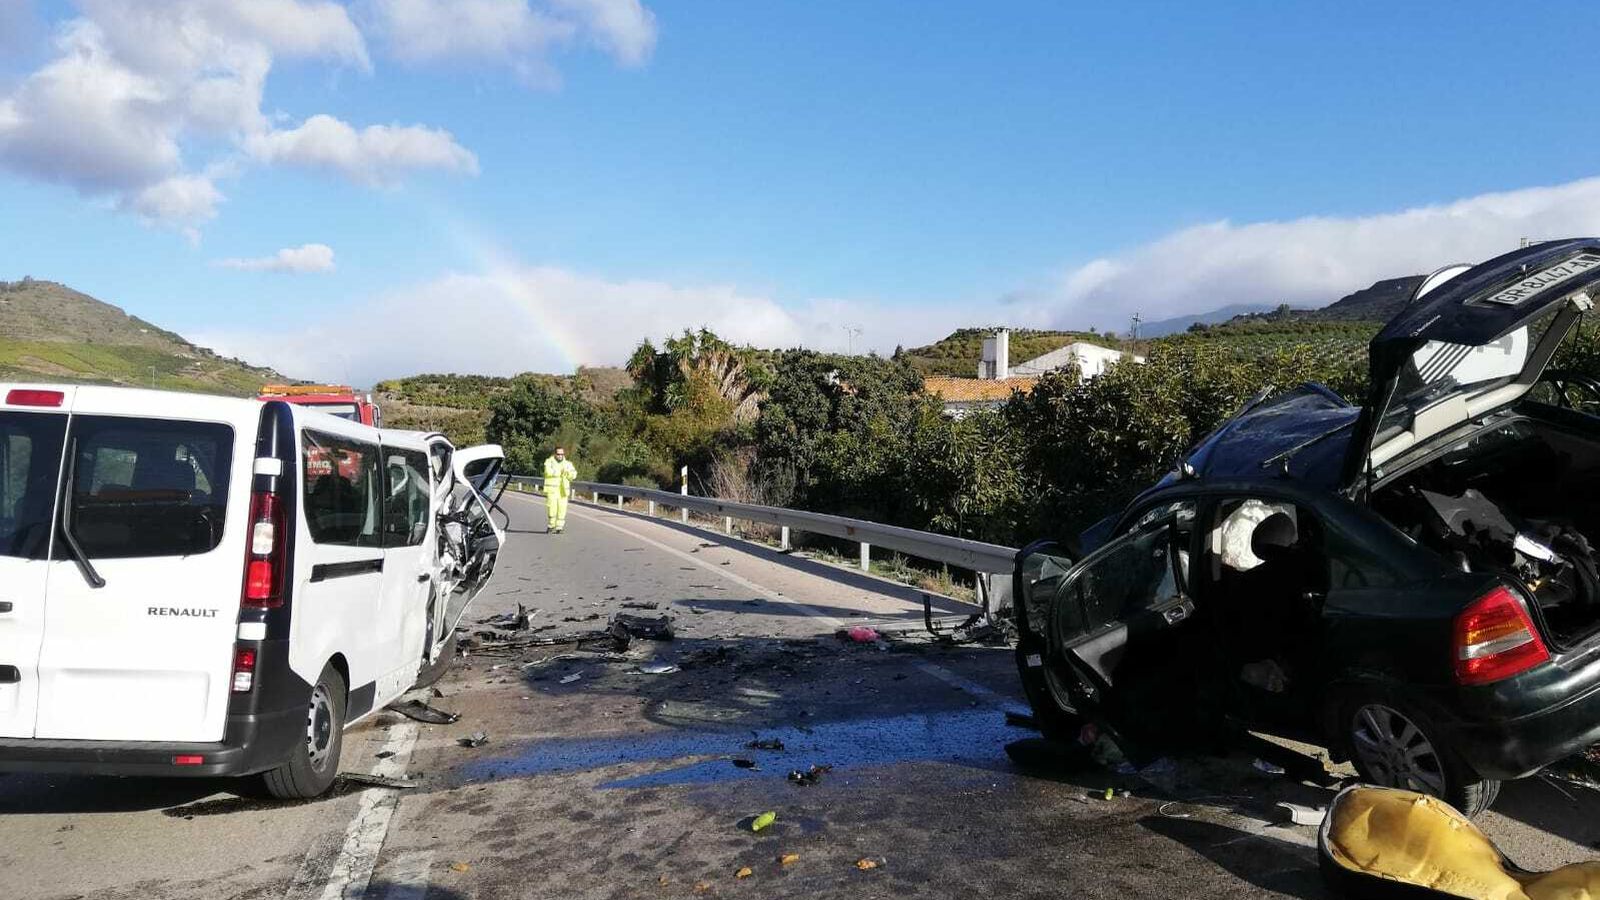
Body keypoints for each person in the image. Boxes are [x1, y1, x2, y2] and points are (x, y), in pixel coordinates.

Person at [542, 447, 578, 533]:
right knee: (552, 509)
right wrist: (560, 472)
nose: (560, 456)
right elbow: (548, 472)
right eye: (558, 454)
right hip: (552, 490)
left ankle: (559, 527)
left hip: (563, 491)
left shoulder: (568, 464)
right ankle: (551, 525)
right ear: (555, 454)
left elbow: (573, 474)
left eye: (562, 454)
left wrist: (569, 473)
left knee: (562, 509)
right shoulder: (549, 462)